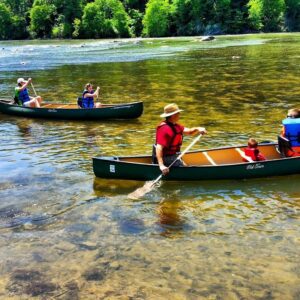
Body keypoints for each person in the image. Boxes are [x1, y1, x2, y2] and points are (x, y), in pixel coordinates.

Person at [154, 103, 207, 175]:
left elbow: (189, 132)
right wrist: (161, 165)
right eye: (178, 113)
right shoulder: (164, 129)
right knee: (186, 172)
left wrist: (198, 129)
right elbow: (159, 148)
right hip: (165, 158)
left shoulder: (175, 126)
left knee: (185, 167)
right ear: (173, 115)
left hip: (174, 156)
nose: (179, 114)